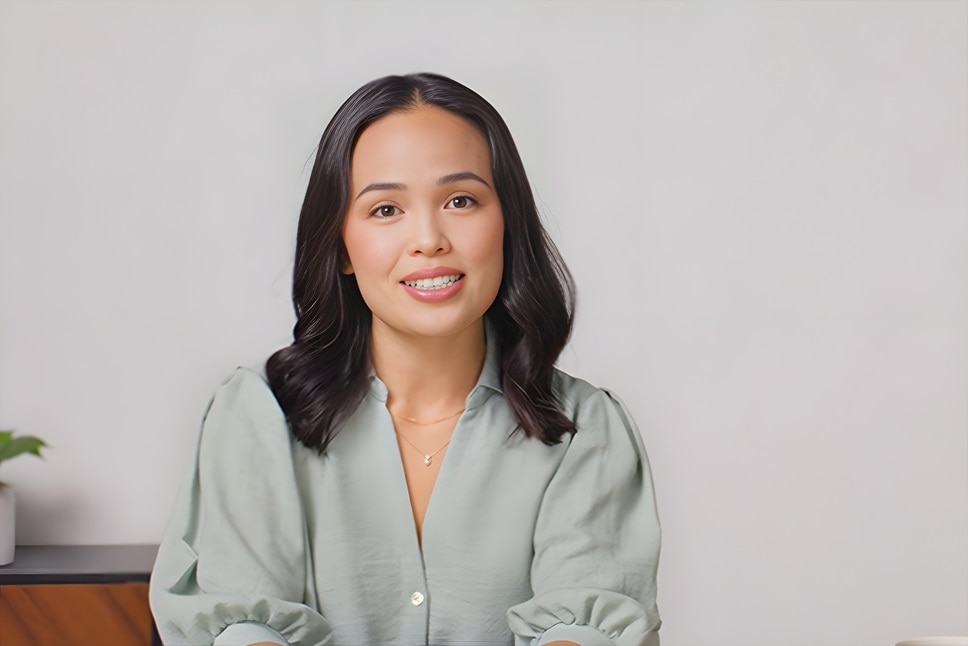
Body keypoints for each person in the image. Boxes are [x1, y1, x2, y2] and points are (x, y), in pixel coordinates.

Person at [149, 72, 661, 646]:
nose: (429, 238)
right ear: (341, 245)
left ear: (508, 224)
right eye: (386, 209)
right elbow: (243, 626)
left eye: (461, 200)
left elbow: (583, 629)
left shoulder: (583, 429)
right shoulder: (255, 417)